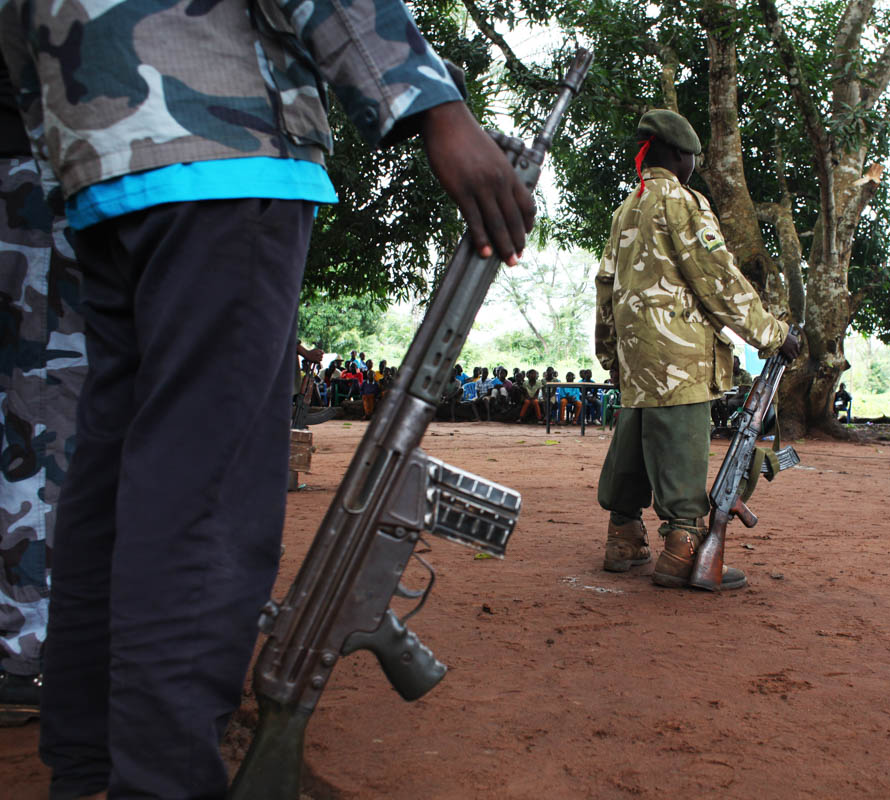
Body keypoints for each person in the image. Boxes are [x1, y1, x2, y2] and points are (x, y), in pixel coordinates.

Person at [0, 1, 535, 795]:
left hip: (92, 154)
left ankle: (87, 771)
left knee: (108, 494)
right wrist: (436, 106)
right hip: (220, 131)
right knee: (202, 511)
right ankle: (162, 781)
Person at [594, 109, 800, 591]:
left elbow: (606, 291)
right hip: (680, 359)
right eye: (692, 158)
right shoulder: (684, 202)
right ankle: (683, 548)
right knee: (681, 448)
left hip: (636, 361)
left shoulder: (626, 209)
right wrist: (772, 334)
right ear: (680, 155)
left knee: (634, 445)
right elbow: (719, 281)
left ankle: (623, 539)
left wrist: (613, 359)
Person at [0, 63, 88, 727]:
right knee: (42, 425)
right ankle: (26, 644)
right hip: (41, 168)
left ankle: (33, 640)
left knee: (52, 422)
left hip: (57, 161)